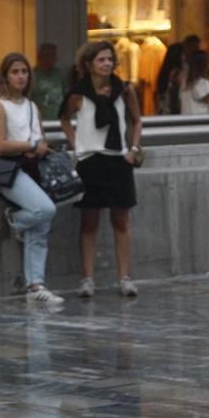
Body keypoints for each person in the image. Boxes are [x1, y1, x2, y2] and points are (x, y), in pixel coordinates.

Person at [60, 41, 142, 298]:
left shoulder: (124, 89)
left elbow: (136, 120)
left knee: (121, 219)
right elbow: (64, 119)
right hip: (90, 160)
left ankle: (125, 278)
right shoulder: (78, 93)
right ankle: (87, 279)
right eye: (101, 59)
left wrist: (134, 149)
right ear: (88, 64)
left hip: (118, 159)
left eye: (109, 59)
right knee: (89, 221)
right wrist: (76, 147)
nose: (106, 63)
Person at [0, 53, 62, 304]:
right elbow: (0, 143)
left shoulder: (31, 105)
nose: (20, 76)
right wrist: (29, 145)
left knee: (41, 226)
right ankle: (14, 221)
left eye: (24, 72)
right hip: (7, 168)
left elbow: (40, 136)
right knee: (44, 209)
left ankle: (36, 284)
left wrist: (38, 146)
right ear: (5, 75)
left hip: (31, 166)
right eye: (15, 71)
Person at [179, 50, 209, 115]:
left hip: (186, 123)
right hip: (200, 122)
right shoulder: (202, 83)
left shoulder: (184, 83)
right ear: (204, 65)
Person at [31, 43, 65, 121]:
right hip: (41, 121)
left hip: (59, 121)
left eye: (55, 55)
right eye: (52, 55)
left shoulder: (59, 74)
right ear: (42, 57)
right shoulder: (32, 75)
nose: (56, 58)